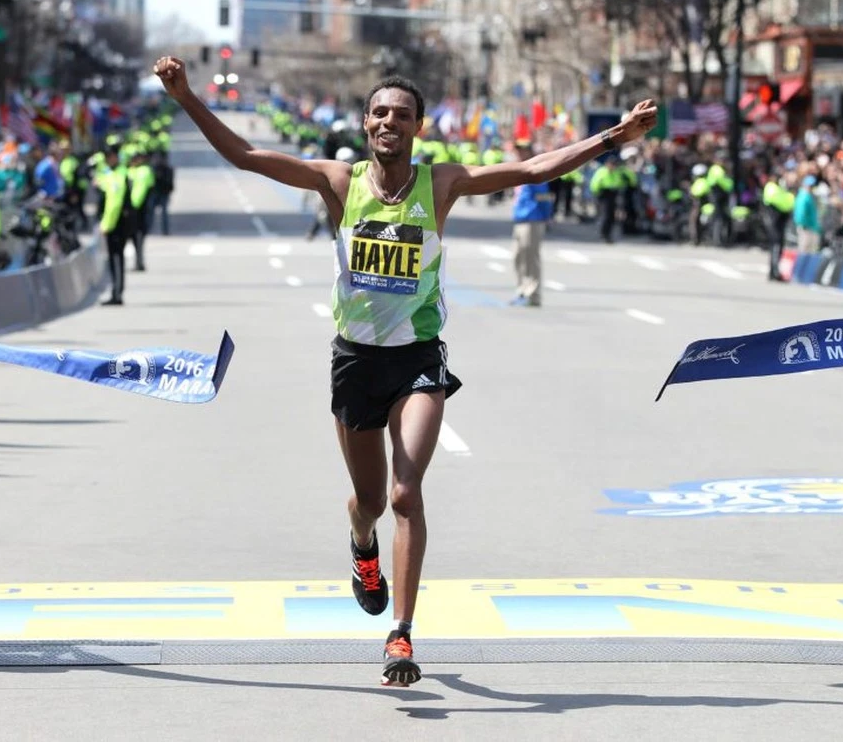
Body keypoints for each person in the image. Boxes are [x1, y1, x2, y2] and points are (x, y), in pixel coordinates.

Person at [153, 54, 657, 685]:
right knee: (367, 501)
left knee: (404, 493)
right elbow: (249, 157)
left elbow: (531, 168)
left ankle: (401, 634)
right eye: (381, 112)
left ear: (419, 128)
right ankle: (363, 547)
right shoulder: (337, 181)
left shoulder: (440, 184)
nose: (391, 122)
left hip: (418, 357)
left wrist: (615, 137)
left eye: (403, 114)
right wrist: (185, 98)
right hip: (355, 361)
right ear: (367, 124)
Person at [510, 141, 555, 307]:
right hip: (520, 219)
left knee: (531, 258)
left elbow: (544, 197)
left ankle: (533, 294)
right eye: (518, 151)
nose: (520, 154)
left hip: (533, 219)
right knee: (518, 257)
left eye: (523, 151)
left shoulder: (535, 171)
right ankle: (522, 290)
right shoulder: (519, 170)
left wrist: (547, 216)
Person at [96, 146, 131, 306]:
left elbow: (114, 204)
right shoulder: (110, 174)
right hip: (117, 221)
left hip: (116, 223)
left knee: (116, 258)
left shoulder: (118, 175)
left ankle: (117, 292)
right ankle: (116, 291)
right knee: (116, 258)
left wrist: (106, 225)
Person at [151, 150, 175, 236]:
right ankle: (149, 230)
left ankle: (165, 231)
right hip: (155, 193)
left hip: (164, 194)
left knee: (164, 214)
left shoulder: (168, 170)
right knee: (150, 213)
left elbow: (171, 185)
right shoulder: (153, 169)